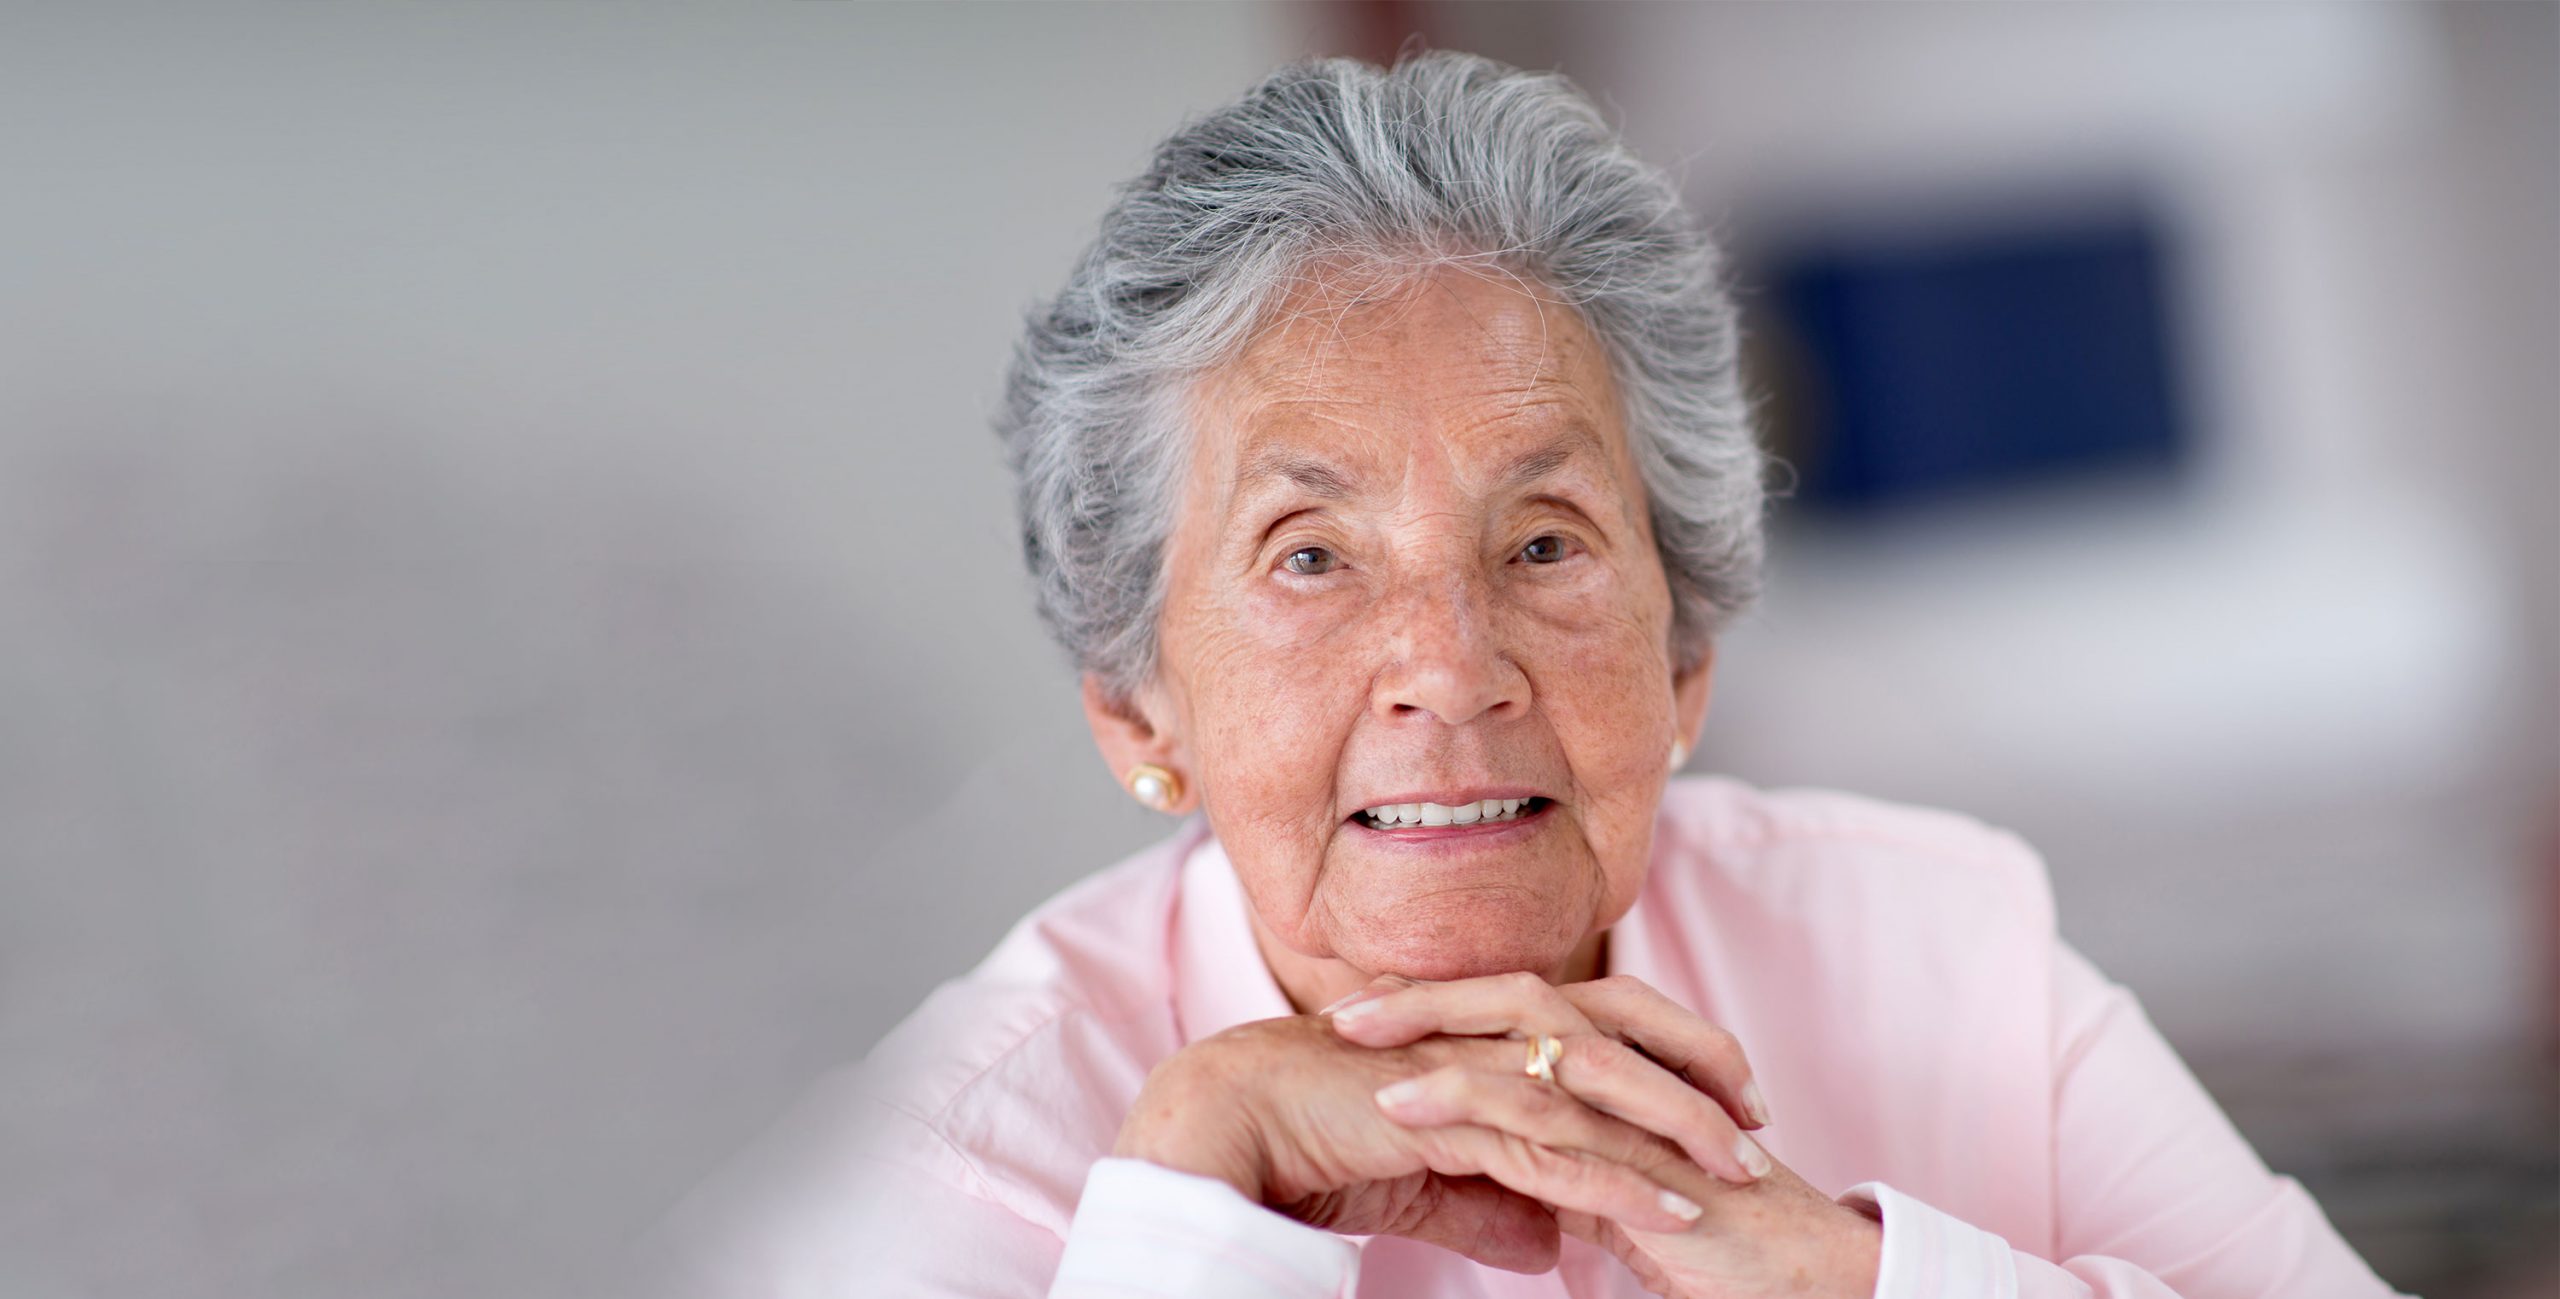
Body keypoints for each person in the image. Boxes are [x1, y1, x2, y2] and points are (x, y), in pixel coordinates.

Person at [647, 51, 2411, 1298]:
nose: (1452, 667)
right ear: (1136, 705)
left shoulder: (1948, 950)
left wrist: (1847, 1281)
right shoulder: (923, 1174)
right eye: (1312, 558)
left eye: (1546, 542)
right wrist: (1197, 1189)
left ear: (1686, 651)